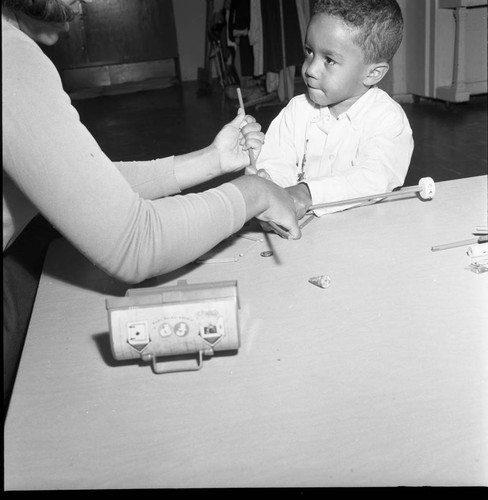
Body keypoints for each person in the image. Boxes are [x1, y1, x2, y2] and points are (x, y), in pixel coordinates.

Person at [2, 0, 301, 408]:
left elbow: (84, 186)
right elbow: (135, 242)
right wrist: (256, 193)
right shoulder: (11, 59)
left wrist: (211, 161)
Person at [253, 0, 414, 219]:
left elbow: (374, 177)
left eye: (329, 60)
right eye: (309, 52)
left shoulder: (387, 119)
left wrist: (308, 193)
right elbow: (276, 160)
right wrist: (271, 186)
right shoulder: (297, 110)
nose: (310, 69)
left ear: (373, 73)